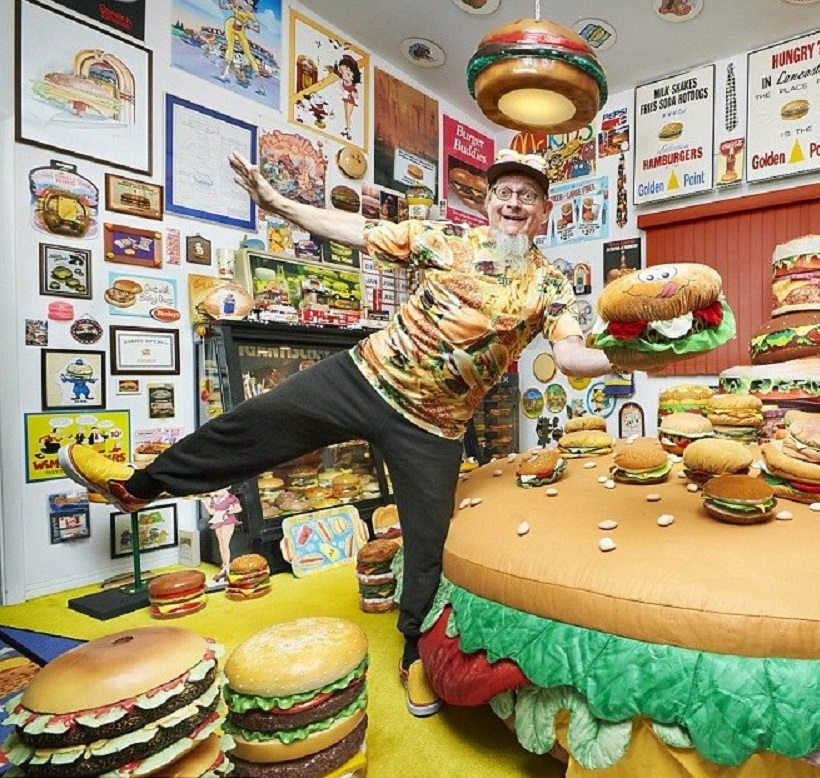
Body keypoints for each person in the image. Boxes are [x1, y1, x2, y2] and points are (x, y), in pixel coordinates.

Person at [58, 148, 617, 718]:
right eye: (504, 193)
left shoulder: (550, 284)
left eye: (527, 196)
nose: (513, 203)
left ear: (545, 212)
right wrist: (279, 204)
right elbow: (357, 230)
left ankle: (415, 655)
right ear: (489, 202)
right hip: (363, 377)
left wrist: (626, 357)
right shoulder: (449, 239)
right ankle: (140, 486)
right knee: (254, 421)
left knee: (428, 544)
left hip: (435, 425)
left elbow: (571, 355)